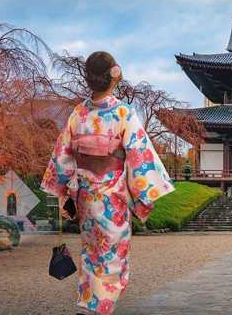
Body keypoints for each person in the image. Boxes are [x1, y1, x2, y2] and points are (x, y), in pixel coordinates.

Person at [41, 51, 175, 315]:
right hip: (112, 198)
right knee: (112, 256)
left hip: (85, 196)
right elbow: (139, 156)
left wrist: (64, 192)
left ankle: (87, 302)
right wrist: (144, 196)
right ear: (114, 76)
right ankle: (98, 308)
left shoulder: (78, 114)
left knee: (91, 253)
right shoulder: (123, 113)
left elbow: (62, 158)